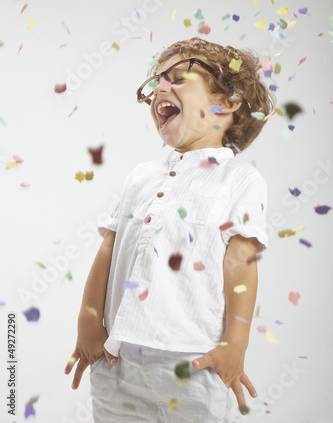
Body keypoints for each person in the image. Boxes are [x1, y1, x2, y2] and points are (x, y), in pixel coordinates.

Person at [64, 37, 276, 422]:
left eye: (179, 77)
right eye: (157, 82)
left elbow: (241, 261)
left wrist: (235, 343)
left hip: (193, 365)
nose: (161, 88)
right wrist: (88, 322)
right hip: (118, 361)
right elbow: (109, 249)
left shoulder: (239, 179)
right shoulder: (142, 176)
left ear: (228, 103)